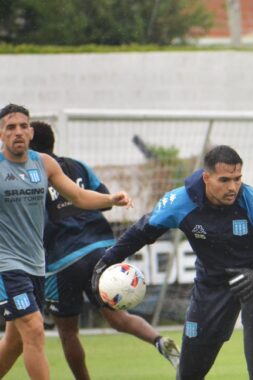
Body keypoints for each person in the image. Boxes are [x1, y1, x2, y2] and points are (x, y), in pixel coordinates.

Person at [90, 145, 253, 380]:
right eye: (224, 180)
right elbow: (141, 232)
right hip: (211, 283)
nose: (233, 187)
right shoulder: (179, 202)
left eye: (237, 178)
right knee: (189, 373)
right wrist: (105, 262)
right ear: (206, 177)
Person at [29, 121, 181, 380]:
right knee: (118, 317)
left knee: (68, 332)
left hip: (62, 260)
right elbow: (106, 201)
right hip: (101, 249)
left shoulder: (28, 176)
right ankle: (158, 340)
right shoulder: (78, 166)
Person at [0, 104, 132, 380]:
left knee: (14, 343)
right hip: (6, 266)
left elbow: (79, 196)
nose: (18, 132)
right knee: (35, 328)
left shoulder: (45, 164)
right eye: (10, 127)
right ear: (1, 134)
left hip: (36, 265)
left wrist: (110, 199)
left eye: (23, 126)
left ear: (31, 131)